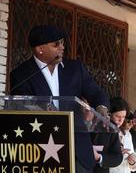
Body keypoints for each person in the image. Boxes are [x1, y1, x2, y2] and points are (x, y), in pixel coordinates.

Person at [10, 25, 110, 173]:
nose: (62, 47)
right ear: (40, 49)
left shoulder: (75, 69)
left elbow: (95, 92)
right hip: (42, 149)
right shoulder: (21, 74)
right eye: (56, 44)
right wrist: (42, 109)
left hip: (78, 151)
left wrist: (102, 107)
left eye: (63, 42)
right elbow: (22, 105)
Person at [106, 97, 136, 173]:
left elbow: (133, 167)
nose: (121, 120)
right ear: (109, 115)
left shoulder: (127, 134)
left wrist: (132, 162)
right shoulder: (103, 133)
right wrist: (115, 153)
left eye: (123, 117)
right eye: (117, 116)